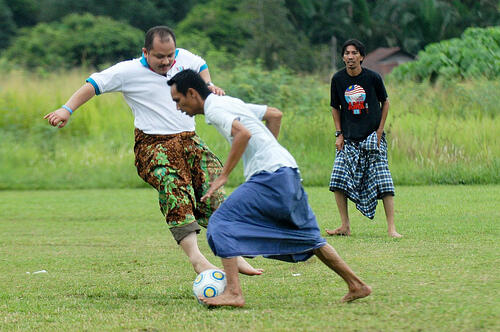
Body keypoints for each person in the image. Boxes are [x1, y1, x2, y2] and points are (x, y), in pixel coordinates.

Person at [44, 26, 262, 276]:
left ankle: (231, 255)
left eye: (170, 56)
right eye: (159, 56)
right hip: (153, 144)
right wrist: (66, 109)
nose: (167, 61)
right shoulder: (127, 71)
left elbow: (201, 66)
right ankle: (197, 259)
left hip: (190, 141)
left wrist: (209, 85)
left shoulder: (185, 58)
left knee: (213, 190)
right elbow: (93, 85)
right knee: (174, 188)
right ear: (145, 52)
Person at [167, 69, 372, 307]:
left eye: (178, 100)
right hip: (288, 171)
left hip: (270, 176)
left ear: (192, 93)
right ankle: (357, 285)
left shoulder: (214, 108)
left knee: (221, 224)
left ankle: (234, 293)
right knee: (310, 238)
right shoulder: (229, 101)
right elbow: (275, 115)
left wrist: (223, 176)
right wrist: (270, 150)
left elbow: (242, 134)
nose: (178, 107)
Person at [326, 39, 402, 238]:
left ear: (361, 57)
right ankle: (345, 226)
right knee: (338, 177)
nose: (350, 57)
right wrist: (339, 133)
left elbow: (385, 102)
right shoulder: (338, 79)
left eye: (354, 53)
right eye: (347, 53)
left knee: (383, 180)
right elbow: (335, 107)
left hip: (372, 137)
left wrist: (379, 131)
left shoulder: (373, 78)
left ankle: (391, 228)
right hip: (349, 138)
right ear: (343, 57)